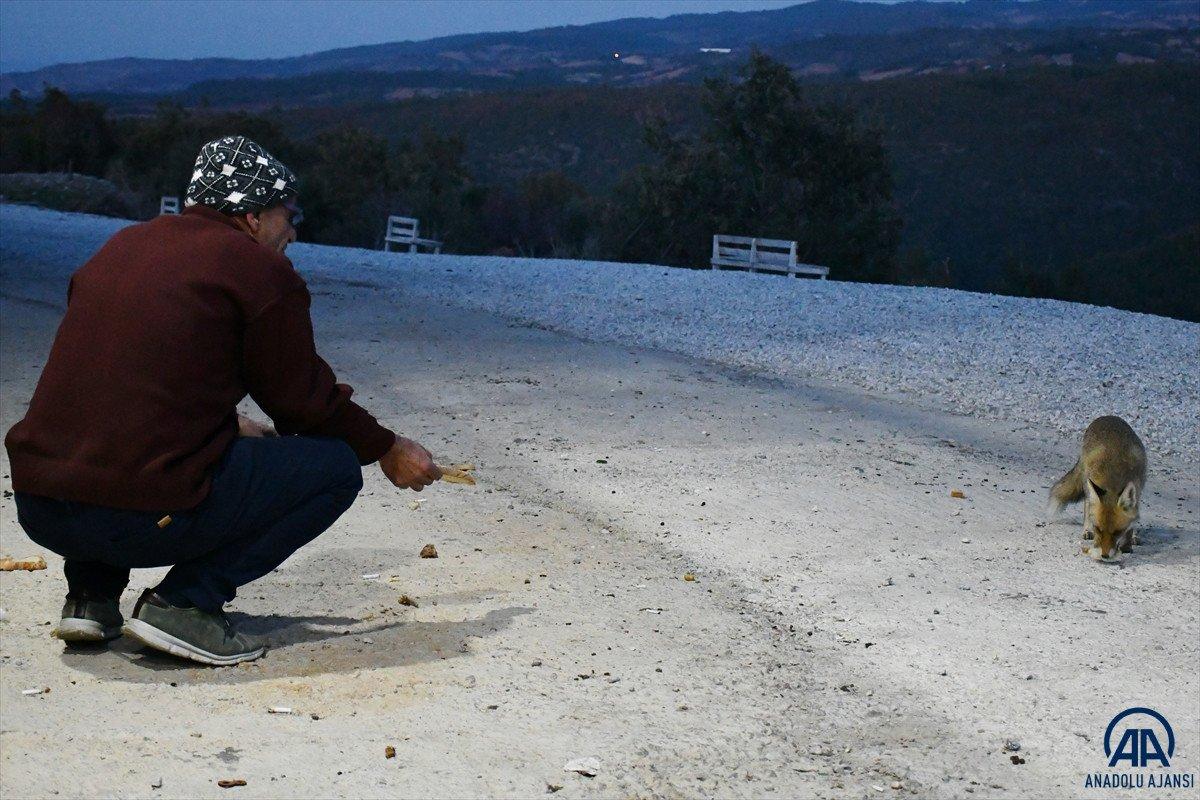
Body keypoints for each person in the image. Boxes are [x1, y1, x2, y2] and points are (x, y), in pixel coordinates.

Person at [4, 135, 441, 666]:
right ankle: (186, 604)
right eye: (288, 213)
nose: (293, 231)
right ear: (252, 215)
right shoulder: (257, 271)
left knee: (104, 440)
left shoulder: (120, 248)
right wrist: (385, 447)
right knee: (334, 469)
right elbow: (304, 404)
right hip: (135, 515)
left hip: (42, 503)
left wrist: (229, 424)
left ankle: (91, 596)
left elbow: (129, 387)